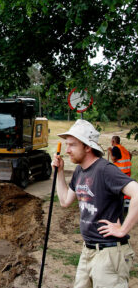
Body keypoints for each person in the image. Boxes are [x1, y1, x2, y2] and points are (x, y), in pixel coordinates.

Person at [52, 119, 138, 288]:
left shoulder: (105, 170)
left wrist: (123, 229)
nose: (67, 150)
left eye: (72, 145)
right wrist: (60, 172)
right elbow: (64, 201)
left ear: (87, 146)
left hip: (109, 254)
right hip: (88, 251)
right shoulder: (80, 171)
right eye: (66, 145)